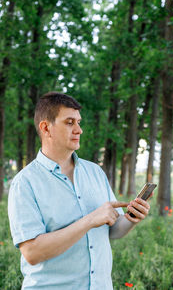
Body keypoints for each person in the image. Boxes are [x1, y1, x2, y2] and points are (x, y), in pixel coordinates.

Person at [8, 92, 150, 290]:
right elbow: (32, 253)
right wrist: (90, 220)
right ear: (46, 127)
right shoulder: (25, 183)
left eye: (78, 122)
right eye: (69, 122)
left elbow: (113, 230)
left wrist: (131, 218)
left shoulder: (95, 172)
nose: (79, 130)